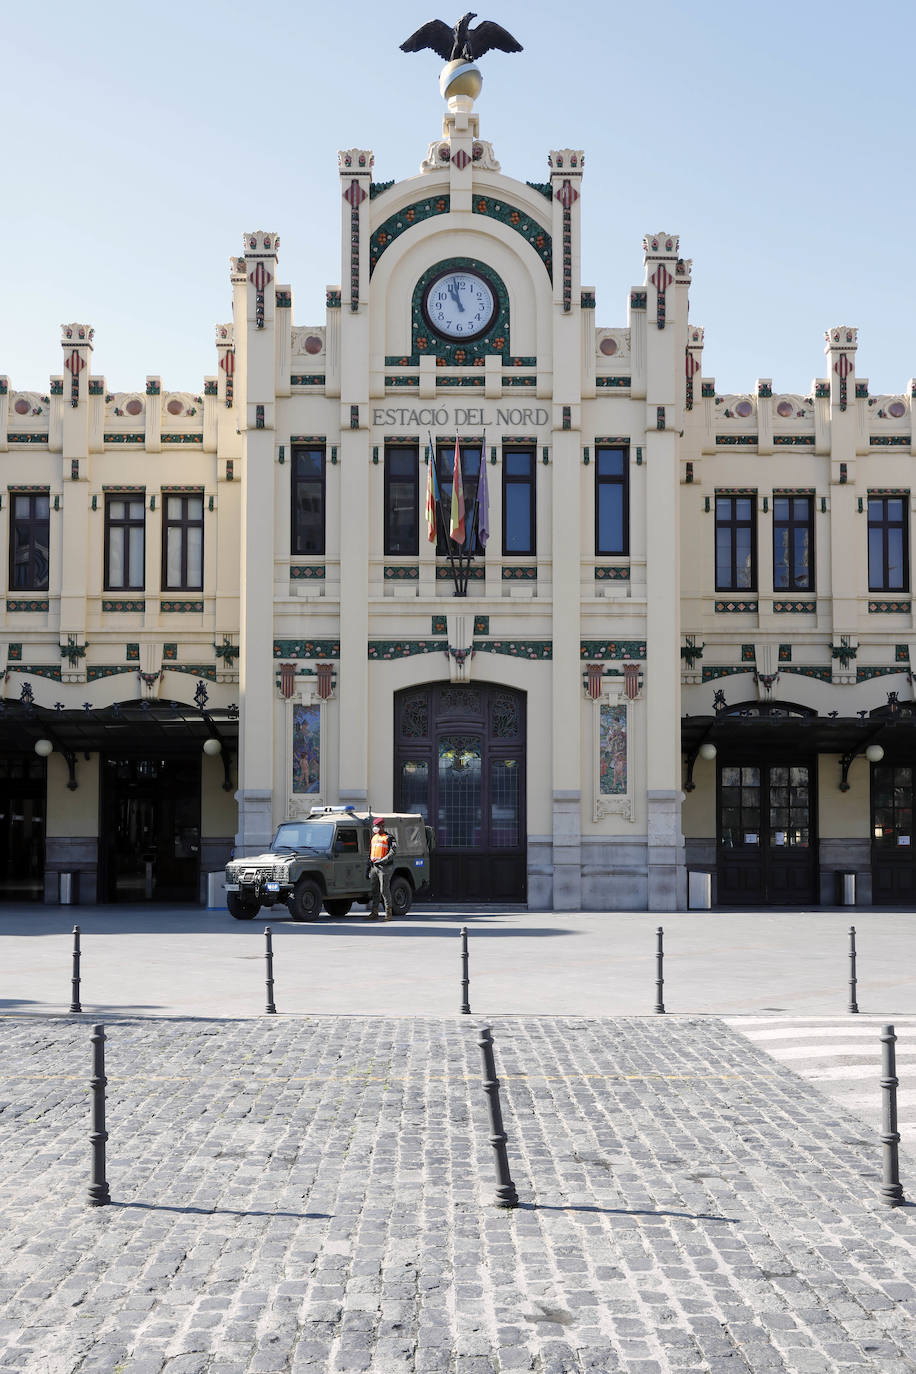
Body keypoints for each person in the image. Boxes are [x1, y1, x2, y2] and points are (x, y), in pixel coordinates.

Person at [367, 817, 397, 921]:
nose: (375, 828)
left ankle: (388, 914)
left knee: (384, 890)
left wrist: (383, 860)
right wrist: (368, 866)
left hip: (385, 867)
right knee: (374, 890)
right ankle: (374, 913)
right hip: (374, 867)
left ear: (382, 826)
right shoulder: (374, 837)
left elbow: (393, 852)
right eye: (374, 826)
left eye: (377, 826)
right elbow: (371, 852)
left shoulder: (389, 837)